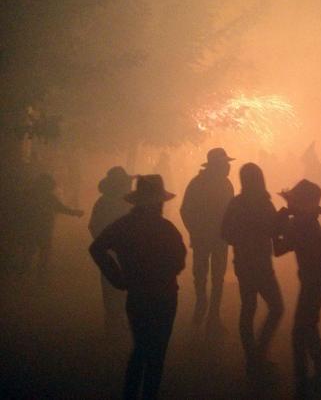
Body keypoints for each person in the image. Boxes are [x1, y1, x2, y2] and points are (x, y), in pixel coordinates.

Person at [89, 175, 186, 400]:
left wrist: (118, 278)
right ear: (158, 201)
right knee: (157, 353)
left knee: (141, 348)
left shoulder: (124, 225)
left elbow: (96, 248)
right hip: (165, 297)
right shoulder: (166, 229)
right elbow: (179, 262)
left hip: (137, 296)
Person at [221, 163, 284, 378]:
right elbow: (275, 230)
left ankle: (252, 358)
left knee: (248, 307)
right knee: (276, 307)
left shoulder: (236, 203)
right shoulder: (265, 204)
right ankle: (258, 354)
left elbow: (225, 233)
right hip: (261, 264)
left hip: (243, 263)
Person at [274, 179, 321, 398]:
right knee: (308, 327)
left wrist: (275, 229)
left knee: (301, 330)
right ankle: (320, 375)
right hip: (318, 278)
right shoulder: (308, 221)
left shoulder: (300, 224)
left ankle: (304, 381)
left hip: (313, 280)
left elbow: (279, 250)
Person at [180, 147, 235, 333]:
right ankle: (206, 308)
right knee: (205, 276)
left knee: (213, 277)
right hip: (209, 238)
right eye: (225, 163)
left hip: (213, 238)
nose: (228, 167)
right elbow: (186, 210)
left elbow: (185, 210)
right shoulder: (203, 184)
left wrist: (195, 232)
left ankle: (209, 312)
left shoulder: (217, 184)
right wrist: (195, 231)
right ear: (216, 166)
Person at [88, 166, 133, 337]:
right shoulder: (124, 203)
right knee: (122, 286)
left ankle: (113, 321)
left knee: (110, 287)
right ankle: (116, 320)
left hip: (110, 251)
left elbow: (93, 226)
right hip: (121, 252)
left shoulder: (103, 202)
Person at [21, 173, 84, 279]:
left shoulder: (28, 194)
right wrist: (75, 213)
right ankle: (40, 275)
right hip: (44, 228)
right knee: (43, 251)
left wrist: (75, 212)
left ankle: (23, 274)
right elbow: (61, 208)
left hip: (30, 228)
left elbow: (20, 210)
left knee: (30, 250)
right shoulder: (48, 197)